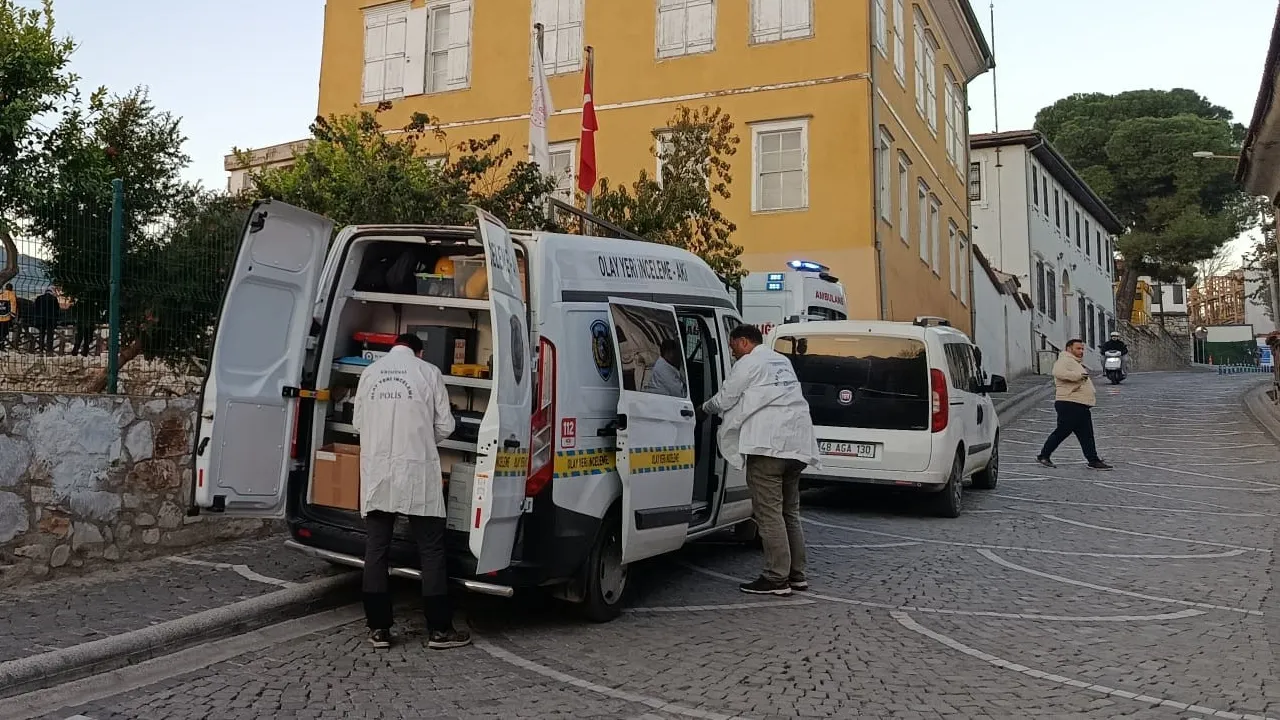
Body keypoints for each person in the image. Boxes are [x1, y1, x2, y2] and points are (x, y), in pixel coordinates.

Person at [352, 332, 471, 650]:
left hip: (378, 472)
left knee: (376, 549)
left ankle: (378, 629)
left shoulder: (369, 374)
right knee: (431, 551)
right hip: (417, 470)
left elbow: (359, 424)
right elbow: (445, 426)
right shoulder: (429, 372)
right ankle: (439, 631)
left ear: (394, 348)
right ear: (419, 351)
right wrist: (418, 439)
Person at [702, 324, 819, 596]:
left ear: (743, 342)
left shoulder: (749, 363)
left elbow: (725, 398)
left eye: (732, 348)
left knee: (768, 514)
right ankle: (796, 574)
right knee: (790, 512)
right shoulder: (782, 361)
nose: (732, 354)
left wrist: (703, 408)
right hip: (796, 445)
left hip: (767, 447)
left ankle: (776, 577)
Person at [1036, 339, 1113, 471]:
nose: (1081, 351)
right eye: (1078, 348)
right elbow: (1057, 372)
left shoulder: (1074, 362)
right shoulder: (1064, 360)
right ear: (1069, 349)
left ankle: (1093, 460)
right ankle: (1043, 455)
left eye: (1082, 349)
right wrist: (1078, 376)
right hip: (1069, 403)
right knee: (1062, 431)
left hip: (1080, 404)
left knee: (1087, 434)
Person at [32, 288, 60, 354]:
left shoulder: (39, 298)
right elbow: (57, 310)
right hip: (50, 320)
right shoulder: (54, 299)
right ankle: (49, 351)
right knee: (50, 336)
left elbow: (35, 308)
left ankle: (41, 350)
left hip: (41, 319)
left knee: (41, 335)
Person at [0, 283, 16, 352]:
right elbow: (13, 306)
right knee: (4, 332)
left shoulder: (1, 295)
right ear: (11, 288)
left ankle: (1, 345)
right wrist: (13, 316)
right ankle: (1, 346)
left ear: (5, 288)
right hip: (6, 318)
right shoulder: (12, 295)